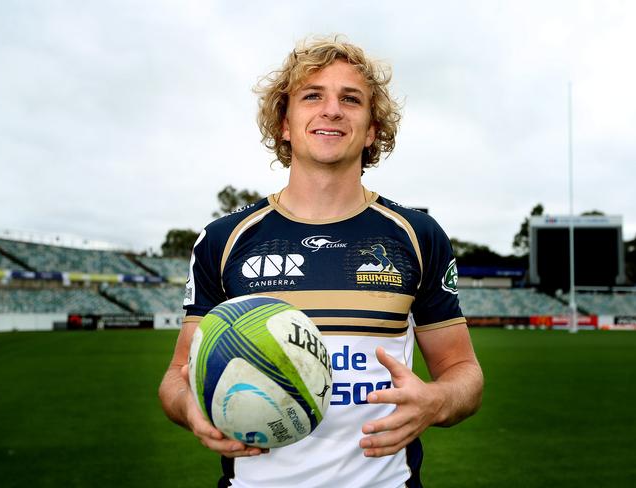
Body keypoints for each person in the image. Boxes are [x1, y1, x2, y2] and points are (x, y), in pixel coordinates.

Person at [159, 36, 483, 488]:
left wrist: (436, 400)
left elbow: (463, 373)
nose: (332, 110)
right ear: (284, 124)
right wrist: (191, 407)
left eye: (351, 99)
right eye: (313, 96)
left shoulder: (416, 235)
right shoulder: (224, 239)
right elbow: (177, 376)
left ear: (371, 130)